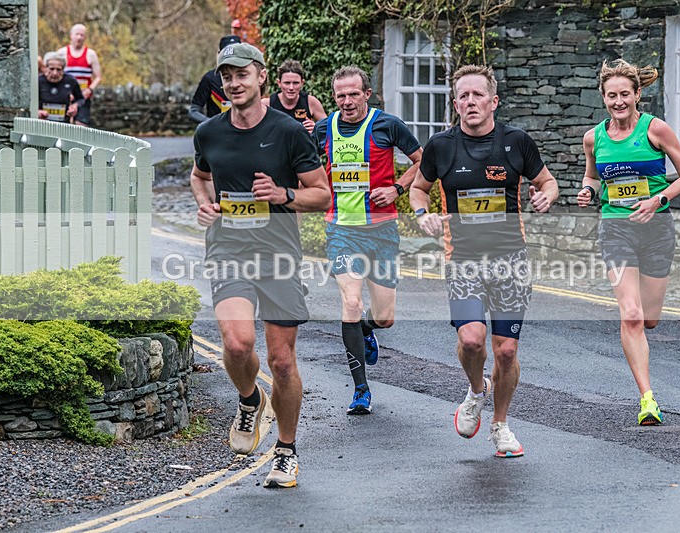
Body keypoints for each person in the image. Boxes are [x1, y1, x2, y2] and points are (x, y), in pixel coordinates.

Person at [190, 43, 331, 488]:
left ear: (261, 76)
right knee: (235, 345)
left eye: (242, 75)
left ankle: (286, 451)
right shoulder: (209, 132)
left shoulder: (288, 131)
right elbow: (200, 176)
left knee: (282, 360)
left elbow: (322, 193)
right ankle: (250, 399)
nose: (234, 83)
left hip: (277, 254)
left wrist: (284, 195)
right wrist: (204, 204)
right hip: (228, 249)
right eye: (226, 77)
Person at [410, 65, 558, 458]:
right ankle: (477, 391)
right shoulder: (441, 146)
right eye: (464, 96)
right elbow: (417, 189)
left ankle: (500, 424)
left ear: (493, 101)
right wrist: (422, 214)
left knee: (506, 351)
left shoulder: (516, 142)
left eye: (478, 95)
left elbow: (547, 180)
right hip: (464, 260)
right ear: (455, 103)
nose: (471, 102)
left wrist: (546, 195)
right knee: (472, 340)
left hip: (510, 259)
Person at [577, 59, 680, 425]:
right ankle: (647, 398)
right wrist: (587, 191)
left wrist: (658, 199)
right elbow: (593, 179)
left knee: (649, 319)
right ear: (603, 98)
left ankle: (643, 355)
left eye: (624, 94)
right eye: (611, 96)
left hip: (657, 229)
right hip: (616, 229)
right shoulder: (593, 138)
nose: (618, 102)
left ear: (637, 94)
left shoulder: (655, 129)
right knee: (630, 315)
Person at [312, 66, 422, 415]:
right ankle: (361, 390)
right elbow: (303, 167)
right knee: (350, 303)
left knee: (385, 317)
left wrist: (398, 188)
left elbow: (424, 162)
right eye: (340, 95)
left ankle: (365, 329)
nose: (347, 101)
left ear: (367, 94)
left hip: (382, 232)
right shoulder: (322, 130)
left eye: (353, 94)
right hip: (341, 230)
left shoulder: (387, 125)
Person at [261, 60, 327, 134]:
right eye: (287, 83)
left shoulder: (311, 102)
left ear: (302, 83)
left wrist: (316, 129)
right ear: (279, 83)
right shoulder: (266, 104)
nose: (291, 87)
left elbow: (328, 129)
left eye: (295, 83)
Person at [189, 35, 241, 124]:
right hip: (217, 133)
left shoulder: (250, 76)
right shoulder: (210, 78)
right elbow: (193, 111)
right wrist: (212, 124)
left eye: (237, 53)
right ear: (219, 54)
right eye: (227, 54)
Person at [57, 24, 102, 126]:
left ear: (85, 37)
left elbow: (98, 77)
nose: (79, 37)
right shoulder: (61, 53)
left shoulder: (91, 54)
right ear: (71, 35)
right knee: (63, 126)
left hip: (83, 96)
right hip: (66, 96)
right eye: (77, 34)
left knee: (81, 126)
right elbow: (54, 74)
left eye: (82, 35)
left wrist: (89, 90)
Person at [38, 52, 85, 123]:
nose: (55, 73)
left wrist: (75, 106)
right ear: (46, 68)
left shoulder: (70, 80)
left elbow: (80, 99)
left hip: (63, 125)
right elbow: (29, 103)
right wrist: (37, 112)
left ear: (63, 70)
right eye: (51, 69)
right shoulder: (38, 81)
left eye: (58, 69)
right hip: (41, 123)